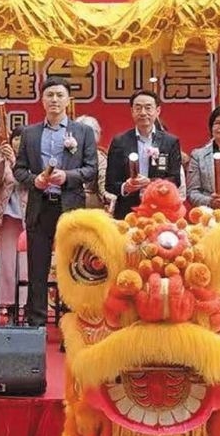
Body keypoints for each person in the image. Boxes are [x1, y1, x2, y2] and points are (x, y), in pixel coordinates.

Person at [12, 77, 98, 327]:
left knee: (72, 269)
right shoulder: (30, 133)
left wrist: (68, 176)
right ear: (42, 100)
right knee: (37, 269)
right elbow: (19, 170)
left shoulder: (82, 132)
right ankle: (36, 323)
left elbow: (91, 169)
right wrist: (35, 180)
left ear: (68, 100)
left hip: (69, 207)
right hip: (40, 207)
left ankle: (71, 323)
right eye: (49, 95)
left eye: (60, 95)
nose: (54, 100)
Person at [104, 90, 184, 218]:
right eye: (138, 108)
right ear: (132, 111)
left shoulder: (170, 142)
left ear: (157, 111)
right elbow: (110, 183)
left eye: (148, 108)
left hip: (160, 209)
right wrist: (125, 187)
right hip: (127, 210)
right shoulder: (120, 141)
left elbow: (175, 180)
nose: (143, 113)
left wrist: (150, 183)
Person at [0, 117, 26, 324]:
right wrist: (0, 161)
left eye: (22, 139)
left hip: (26, 215)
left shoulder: (32, 160)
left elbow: (28, 181)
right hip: (6, 216)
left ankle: (23, 304)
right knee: (6, 262)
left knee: (24, 264)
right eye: (15, 138)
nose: (18, 142)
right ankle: (6, 304)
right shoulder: (2, 156)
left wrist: (17, 163)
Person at [78, 114, 113, 213]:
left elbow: (103, 181)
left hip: (92, 207)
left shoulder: (100, 157)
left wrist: (106, 195)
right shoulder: (67, 155)